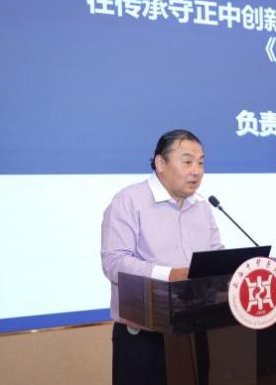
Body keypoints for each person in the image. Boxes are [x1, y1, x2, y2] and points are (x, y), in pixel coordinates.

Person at [101, 129, 223, 385]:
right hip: (145, 339)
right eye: (187, 162)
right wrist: (169, 275)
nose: (196, 171)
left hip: (194, 329)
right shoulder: (129, 201)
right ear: (160, 163)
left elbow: (215, 254)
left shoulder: (202, 206)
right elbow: (114, 263)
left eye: (201, 163)